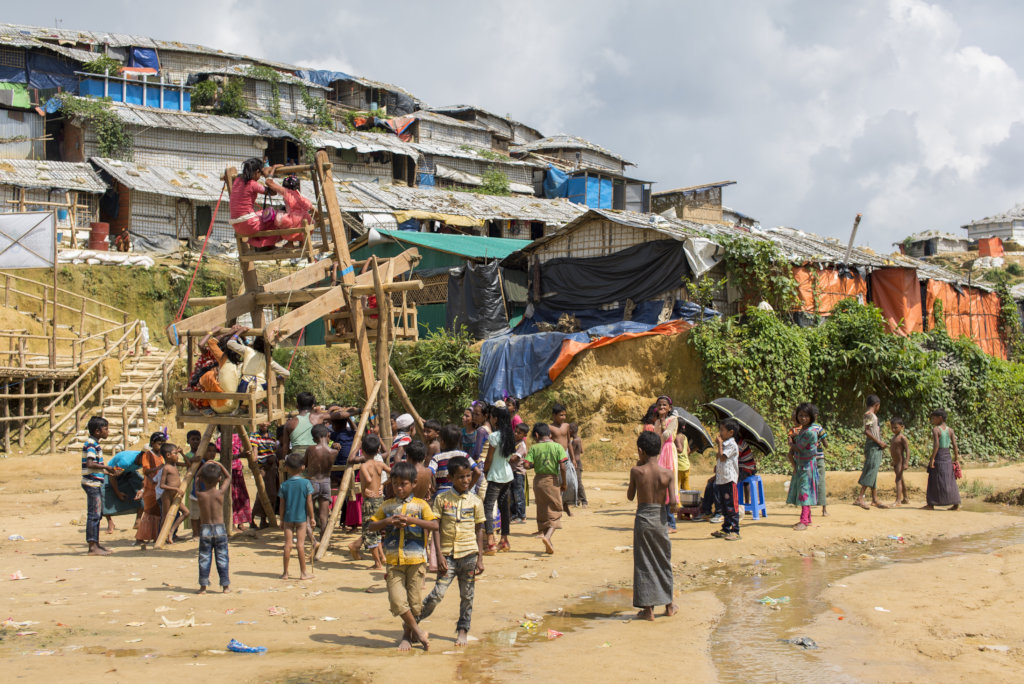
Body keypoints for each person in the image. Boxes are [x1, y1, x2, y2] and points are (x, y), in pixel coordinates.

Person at [367, 462, 439, 652]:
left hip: (416, 560)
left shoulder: (421, 505)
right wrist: (387, 521)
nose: (399, 488)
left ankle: (408, 634)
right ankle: (417, 632)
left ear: (413, 484)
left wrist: (412, 521)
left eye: (404, 484)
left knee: (415, 604)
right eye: (396, 483)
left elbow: (434, 525)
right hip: (393, 561)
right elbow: (371, 526)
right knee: (397, 600)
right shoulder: (387, 505)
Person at [419, 456, 485, 647]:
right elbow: (435, 527)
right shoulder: (441, 499)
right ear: (450, 478)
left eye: (468, 476)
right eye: (461, 477)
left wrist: (480, 558)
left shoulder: (475, 501)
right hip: (448, 555)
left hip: (470, 554)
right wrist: (438, 554)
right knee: (437, 593)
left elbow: (479, 529)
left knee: (467, 595)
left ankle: (463, 629)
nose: (465, 480)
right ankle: (414, 623)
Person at [628, 431, 678, 620]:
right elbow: (673, 502)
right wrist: (670, 509)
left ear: (641, 451)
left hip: (643, 518)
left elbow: (630, 496)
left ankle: (648, 610)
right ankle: (669, 605)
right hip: (660, 519)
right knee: (663, 560)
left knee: (644, 562)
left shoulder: (636, 471)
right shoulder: (668, 473)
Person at [524, 423, 568, 554]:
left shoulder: (534, 448)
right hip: (551, 481)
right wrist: (564, 483)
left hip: (538, 481)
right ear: (549, 434)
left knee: (542, 508)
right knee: (555, 509)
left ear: (536, 435)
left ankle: (547, 540)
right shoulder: (557, 447)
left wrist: (535, 464)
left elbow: (526, 465)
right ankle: (547, 537)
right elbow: (563, 467)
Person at [348, 434, 390, 569]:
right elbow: (393, 473)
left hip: (369, 501)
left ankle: (377, 563)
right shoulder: (380, 464)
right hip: (380, 499)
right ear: (378, 450)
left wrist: (365, 489)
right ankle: (381, 558)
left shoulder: (364, 466)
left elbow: (368, 479)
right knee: (377, 530)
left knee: (369, 531)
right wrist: (384, 484)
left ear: (363, 451)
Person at [82, 416, 118, 556]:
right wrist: (106, 467)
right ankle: (92, 546)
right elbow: (90, 464)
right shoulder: (91, 444)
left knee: (97, 514)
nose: (108, 432)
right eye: (106, 429)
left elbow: (93, 467)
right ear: (97, 431)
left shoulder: (94, 443)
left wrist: (107, 472)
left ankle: (96, 544)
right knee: (94, 515)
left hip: (94, 481)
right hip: (91, 483)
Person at [482, 407, 515, 554]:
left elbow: (489, 458)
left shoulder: (494, 436)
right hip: (507, 475)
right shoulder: (510, 436)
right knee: (504, 506)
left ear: (496, 419)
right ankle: (504, 540)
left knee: (488, 507)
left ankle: (490, 542)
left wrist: (485, 470)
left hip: (495, 475)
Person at [278, 453, 315, 580]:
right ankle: (303, 573)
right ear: (303, 467)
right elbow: (309, 502)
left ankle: (285, 573)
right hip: (301, 519)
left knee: (287, 545)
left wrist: (281, 519)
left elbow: (281, 504)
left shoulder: (284, 485)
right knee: (300, 545)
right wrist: (312, 517)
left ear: (286, 468)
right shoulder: (306, 483)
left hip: (288, 518)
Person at [196, 461, 231, 594]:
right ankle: (225, 585)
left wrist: (203, 467)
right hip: (220, 529)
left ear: (203, 479)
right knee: (222, 557)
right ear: (219, 479)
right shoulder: (220, 493)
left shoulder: (200, 494)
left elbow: (197, 478)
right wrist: (219, 464)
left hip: (205, 529)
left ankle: (203, 586)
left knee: (204, 557)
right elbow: (228, 477)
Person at [787, 403, 823, 531]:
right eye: (800, 415)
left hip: (806, 466)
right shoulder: (804, 430)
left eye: (806, 416)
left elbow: (799, 448)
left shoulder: (810, 432)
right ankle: (808, 518)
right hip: (803, 464)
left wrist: (791, 442)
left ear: (811, 417)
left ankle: (804, 521)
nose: (803, 418)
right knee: (804, 491)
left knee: (804, 492)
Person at [228, 157, 277, 250]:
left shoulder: (237, 180)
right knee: (273, 216)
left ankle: (257, 244)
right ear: (257, 172)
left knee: (261, 213)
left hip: (236, 226)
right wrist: (268, 174)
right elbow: (273, 192)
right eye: (260, 173)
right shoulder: (253, 184)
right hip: (249, 224)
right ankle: (266, 245)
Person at [225, 329, 290, 393]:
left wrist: (239, 331)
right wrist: (279, 377)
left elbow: (230, 343)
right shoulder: (268, 360)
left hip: (244, 389)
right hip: (260, 390)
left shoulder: (248, 351)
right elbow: (286, 373)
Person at [197, 328, 243, 415]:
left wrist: (229, 333)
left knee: (209, 376)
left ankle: (206, 406)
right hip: (234, 405)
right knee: (210, 375)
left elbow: (211, 342)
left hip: (221, 403)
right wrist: (239, 332)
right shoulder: (240, 362)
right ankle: (243, 407)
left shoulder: (224, 359)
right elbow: (202, 345)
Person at [855, 395, 889, 510]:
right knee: (870, 469)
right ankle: (860, 497)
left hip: (875, 446)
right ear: (877, 405)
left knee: (873, 470)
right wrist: (879, 442)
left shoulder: (872, 415)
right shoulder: (869, 415)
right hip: (873, 446)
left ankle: (874, 499)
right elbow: (867, 432)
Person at [924, 409, 961, 511]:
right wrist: (956, 459)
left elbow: (936, 445)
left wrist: (932, 459)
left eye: (934, 418)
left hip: (939, 455)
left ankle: (931, 504)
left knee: (934, 479)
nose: (933, 420)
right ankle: (955, 503)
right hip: (947, 456)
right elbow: (954, 445)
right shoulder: (950, 430)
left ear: (940, 418)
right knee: (949, 479)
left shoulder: (936, 430)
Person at [304, 424, 338, 535]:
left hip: (312, 482)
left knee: (308, 514)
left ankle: (311, 540)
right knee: (324, 516)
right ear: (327, 435)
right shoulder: (333, 452)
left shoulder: (311, 449)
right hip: (326, 483)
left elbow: (304, 464)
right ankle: (323, 540)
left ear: (314, 438)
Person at [711, 419, 741, 541]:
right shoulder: (724, 444)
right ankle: (726, 529)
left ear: (731, 432)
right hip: (721, 479)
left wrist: (719, 444)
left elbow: (723, 457)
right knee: (724, 506)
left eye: (722, 430)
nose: (720, 432)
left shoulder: (732, 445)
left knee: (731, 506)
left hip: (729, 480)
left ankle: (735, 530)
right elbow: (719, 456)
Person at [101, 448, 144, 533]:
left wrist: (142, 490)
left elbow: (148, 477)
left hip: (130, 472)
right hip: (112, 472)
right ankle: (110, 523)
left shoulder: (147, 460)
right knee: (104, 493)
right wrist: (118, 493)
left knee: (141, 489)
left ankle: (138, 521)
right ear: (140, 456)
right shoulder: (125, 461)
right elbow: (112, 475)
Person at [653, 398, 680, 531]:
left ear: (669, 407)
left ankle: (671, 523)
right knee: (659, 485)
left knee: (669, 484)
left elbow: (667, 436)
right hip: (659, 452)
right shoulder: (656, 421)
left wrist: (664, 423)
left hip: (668, 452)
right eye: (659, 405)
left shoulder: (673, 420)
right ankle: (662, 521)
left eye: (664, 405)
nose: (662, 407)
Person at [135, 436, 166, 549]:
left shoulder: (161, 455)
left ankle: (154, 535)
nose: (161, 446)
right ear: (152, 443)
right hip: (150, 486)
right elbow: (146, 471)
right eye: (159, 443)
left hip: (157, 486)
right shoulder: (148, 455)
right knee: (149, 512)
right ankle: (140, 537)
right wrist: (159, 467)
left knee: (157, 512)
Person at [430, 425, 477, 495]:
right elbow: (478, 472)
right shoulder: (464, 455)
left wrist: (431, 487)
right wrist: (468, 488)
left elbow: (429, 472)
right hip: (460, 492)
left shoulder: (437, 458)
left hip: (442, 492)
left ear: (442, 442)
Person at [281, 392, 329, 458]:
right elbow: (341, 415)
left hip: (297, 461)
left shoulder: (289, 423)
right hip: (315, 459)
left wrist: (283, 462)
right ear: (313, 406)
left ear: (297, 406)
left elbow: (285, 448)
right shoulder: (319, 418)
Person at [158, 443, 189, 543]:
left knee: (186, 512)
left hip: (175, 495)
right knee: (165, 516)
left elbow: (188, 465)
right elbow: (162, 485)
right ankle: (161, 537)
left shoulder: (175, 465)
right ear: (168, 455)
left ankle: (171, 532)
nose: (177, 455)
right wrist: (175, 489)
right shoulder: (166, 467)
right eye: (175, 453)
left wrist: (183, 454)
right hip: (167, 495)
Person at [250, 424, 280, 529]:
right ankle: (256, 519)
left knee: (270, 494)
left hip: (272, 468)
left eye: (266, 423)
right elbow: (255, 450)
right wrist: (255, 463)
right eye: (262, 423)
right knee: (264, 493)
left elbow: (274, 451)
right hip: (263, 468)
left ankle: (262, 519)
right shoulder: (255, 436)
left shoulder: (271, 437)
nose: (264, 425)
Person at [270, 174, 312, 243]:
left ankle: (290, 243)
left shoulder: (286, 193)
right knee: (301, 226)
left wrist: (269, 175)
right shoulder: (299, 195)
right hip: (305, 219)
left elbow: (270, 184)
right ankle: (302, 244)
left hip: (293, 220)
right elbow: (310, 206)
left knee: (281, 218)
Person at [510, 422, 529, 523]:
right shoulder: (514, 443)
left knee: (518, 495)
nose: (516, 434)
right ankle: (514, 515)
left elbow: (514, 458)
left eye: (519, 433)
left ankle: (521, 515)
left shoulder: (521, 446)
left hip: (518, 473)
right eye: (515, 431)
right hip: (511, 472)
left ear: (524, 435)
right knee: (512, 495)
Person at [890, 417, 910, 506]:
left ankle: (898, 500)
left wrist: (906, 462)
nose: (893, 429)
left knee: (898, 480)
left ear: (902, 427)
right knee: (901, 479)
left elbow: (907, 450)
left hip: (900, 462)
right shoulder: (894, 437)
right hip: (895, 462)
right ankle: (905, 498)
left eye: (896, 427)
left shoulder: (902, 438)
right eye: (892, 427)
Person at [673, 423, 692, 520]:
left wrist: (671, 448)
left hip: (679, 466)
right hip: (686, 465)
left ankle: (679, 507)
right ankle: (688, 506)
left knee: (677, 487)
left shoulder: (676, 437)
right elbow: (688, 450)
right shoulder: (684, 436)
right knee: (686, 487)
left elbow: (680, 449)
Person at [570, 423, 588, 508]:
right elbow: (581, 451)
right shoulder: (579, 439)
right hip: (578, 462)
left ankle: (584, 501)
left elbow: (571, 452)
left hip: (575, 464)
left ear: (572, 431)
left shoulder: (574, 441)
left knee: (578, 482)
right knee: (576, 482)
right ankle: (577, 500)